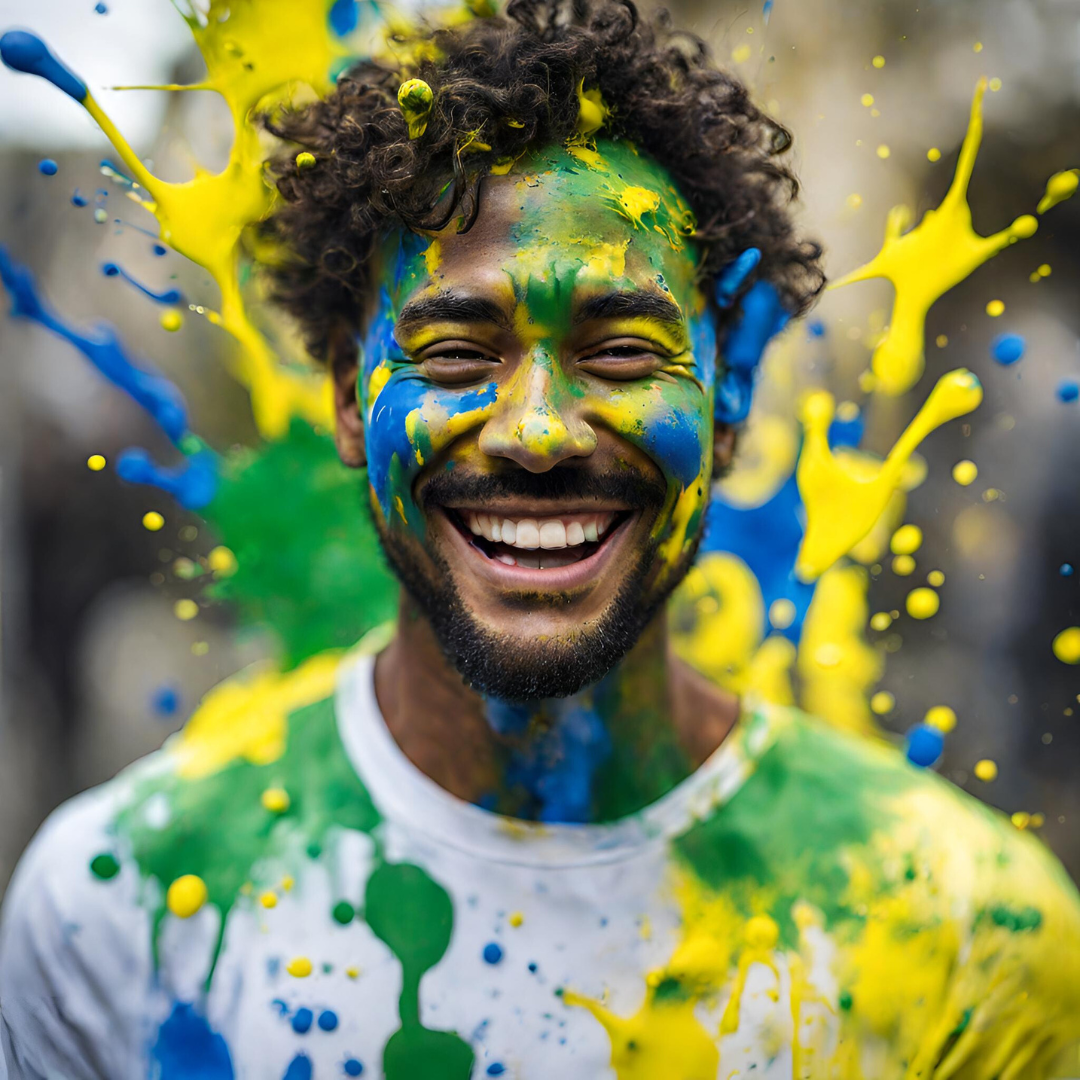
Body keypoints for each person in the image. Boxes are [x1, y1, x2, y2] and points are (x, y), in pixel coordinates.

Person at [2, 0, 1079, 1076]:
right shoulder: (122, 910)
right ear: (343, 393)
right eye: (459, 355)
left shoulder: (965, 934)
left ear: (731, 394)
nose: (538, 433)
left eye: (620, 352)